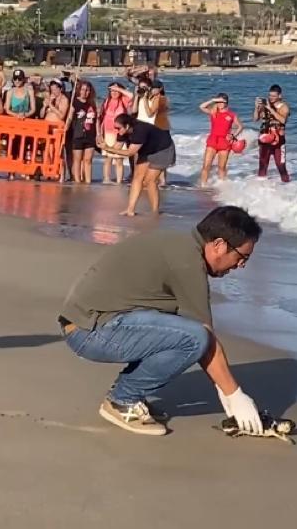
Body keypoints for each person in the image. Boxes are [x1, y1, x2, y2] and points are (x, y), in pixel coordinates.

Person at [59, 205, 265, 436]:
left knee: (182, 327)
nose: (241, 265)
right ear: (219, 245)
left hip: (87, 322)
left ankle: (126, 394)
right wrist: (235, 396)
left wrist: (226, 390)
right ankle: (122, 401)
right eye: (242, 257)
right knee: (195, 337)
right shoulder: (187, 262)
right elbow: (205, 340)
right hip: (90, 332)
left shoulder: (180, 245)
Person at [101, 113, 175, 216]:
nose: (117, 131)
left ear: (127, 126)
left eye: (118, 128)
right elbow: (116, 148)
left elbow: (130, 152)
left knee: (150, 181)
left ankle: (155, 211)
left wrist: (108, 149)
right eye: (115, 128)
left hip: (163, 149)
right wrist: (104, 146)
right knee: (137, 178)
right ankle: (130, 209)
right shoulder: (123, 132)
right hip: (147, 149)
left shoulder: (140, 130)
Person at [198, 93, 243, 186]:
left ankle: (222, 187)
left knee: (221, 167)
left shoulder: (231, 115)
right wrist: (213, 100)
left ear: (226, 102)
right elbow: (201, 107)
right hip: (213, 140)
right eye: (218, 102)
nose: (219, 104)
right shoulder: (213, 112)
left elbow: (240, 126)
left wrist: (233, 135)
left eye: (221, 102)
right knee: (206, 166)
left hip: (224, 142)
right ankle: (203, 186)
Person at [254, 84, 291, 183]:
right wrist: (257, 108)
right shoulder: (265, 104)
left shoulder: (284, 107)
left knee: (281, 165)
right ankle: (260, 188)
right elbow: (255, 119)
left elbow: (283, 120)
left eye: (274, 96)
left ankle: (287, 186)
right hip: (265, 137)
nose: (271, 98)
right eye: (270, 96)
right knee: (262, 164)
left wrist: (270, 108)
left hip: (278, 139)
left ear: (280, 96)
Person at [98, 82, 131, 184]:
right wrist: (99, 133)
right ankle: (106, 179)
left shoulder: (124, 100)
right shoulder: (106, 101)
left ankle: (118, 181)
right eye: (112, 90)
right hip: (107, 133)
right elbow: (101, 119)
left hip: (120, 133)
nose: (114, 92)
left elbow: (131, 96)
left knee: (119, 159)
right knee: (107, 157)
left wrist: (120, 89)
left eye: (116, 90)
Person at [67, 79, 98, 183]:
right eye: (83, 89)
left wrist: (98, 134)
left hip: (90, 134)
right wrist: (66, 127)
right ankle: (77, 180)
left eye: (87, 90)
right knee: (77, 160)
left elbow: (96, 119)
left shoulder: (92, 103)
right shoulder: (74, 102)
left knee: (88, 160)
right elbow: (70, 117)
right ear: (79, 90)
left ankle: (88, 180)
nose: (85, 92)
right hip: (77, 134)